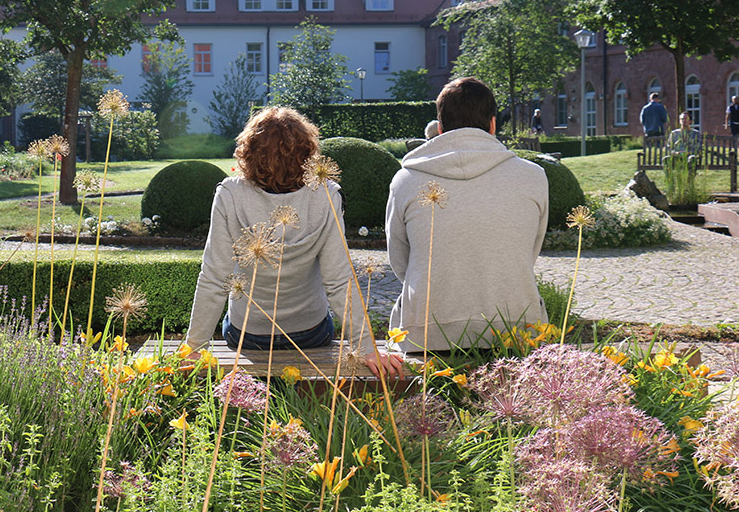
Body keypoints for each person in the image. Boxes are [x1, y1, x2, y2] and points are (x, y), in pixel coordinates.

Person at [181, 107, 403, 379]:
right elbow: (338, 280)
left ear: (248, 151)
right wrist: (367, 347)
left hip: (248, 334)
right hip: (310, 332)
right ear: (307, 153)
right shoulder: (326, 195)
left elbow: (214, 277)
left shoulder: (229, 194)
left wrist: (193, 346)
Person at [385, 77, 549, 353]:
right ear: (493, 124)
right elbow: (528, 251)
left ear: (439, 128)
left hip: (425, 335)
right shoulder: (533, 177)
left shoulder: (405, 180)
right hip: (516, 332)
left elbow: (400, 261)